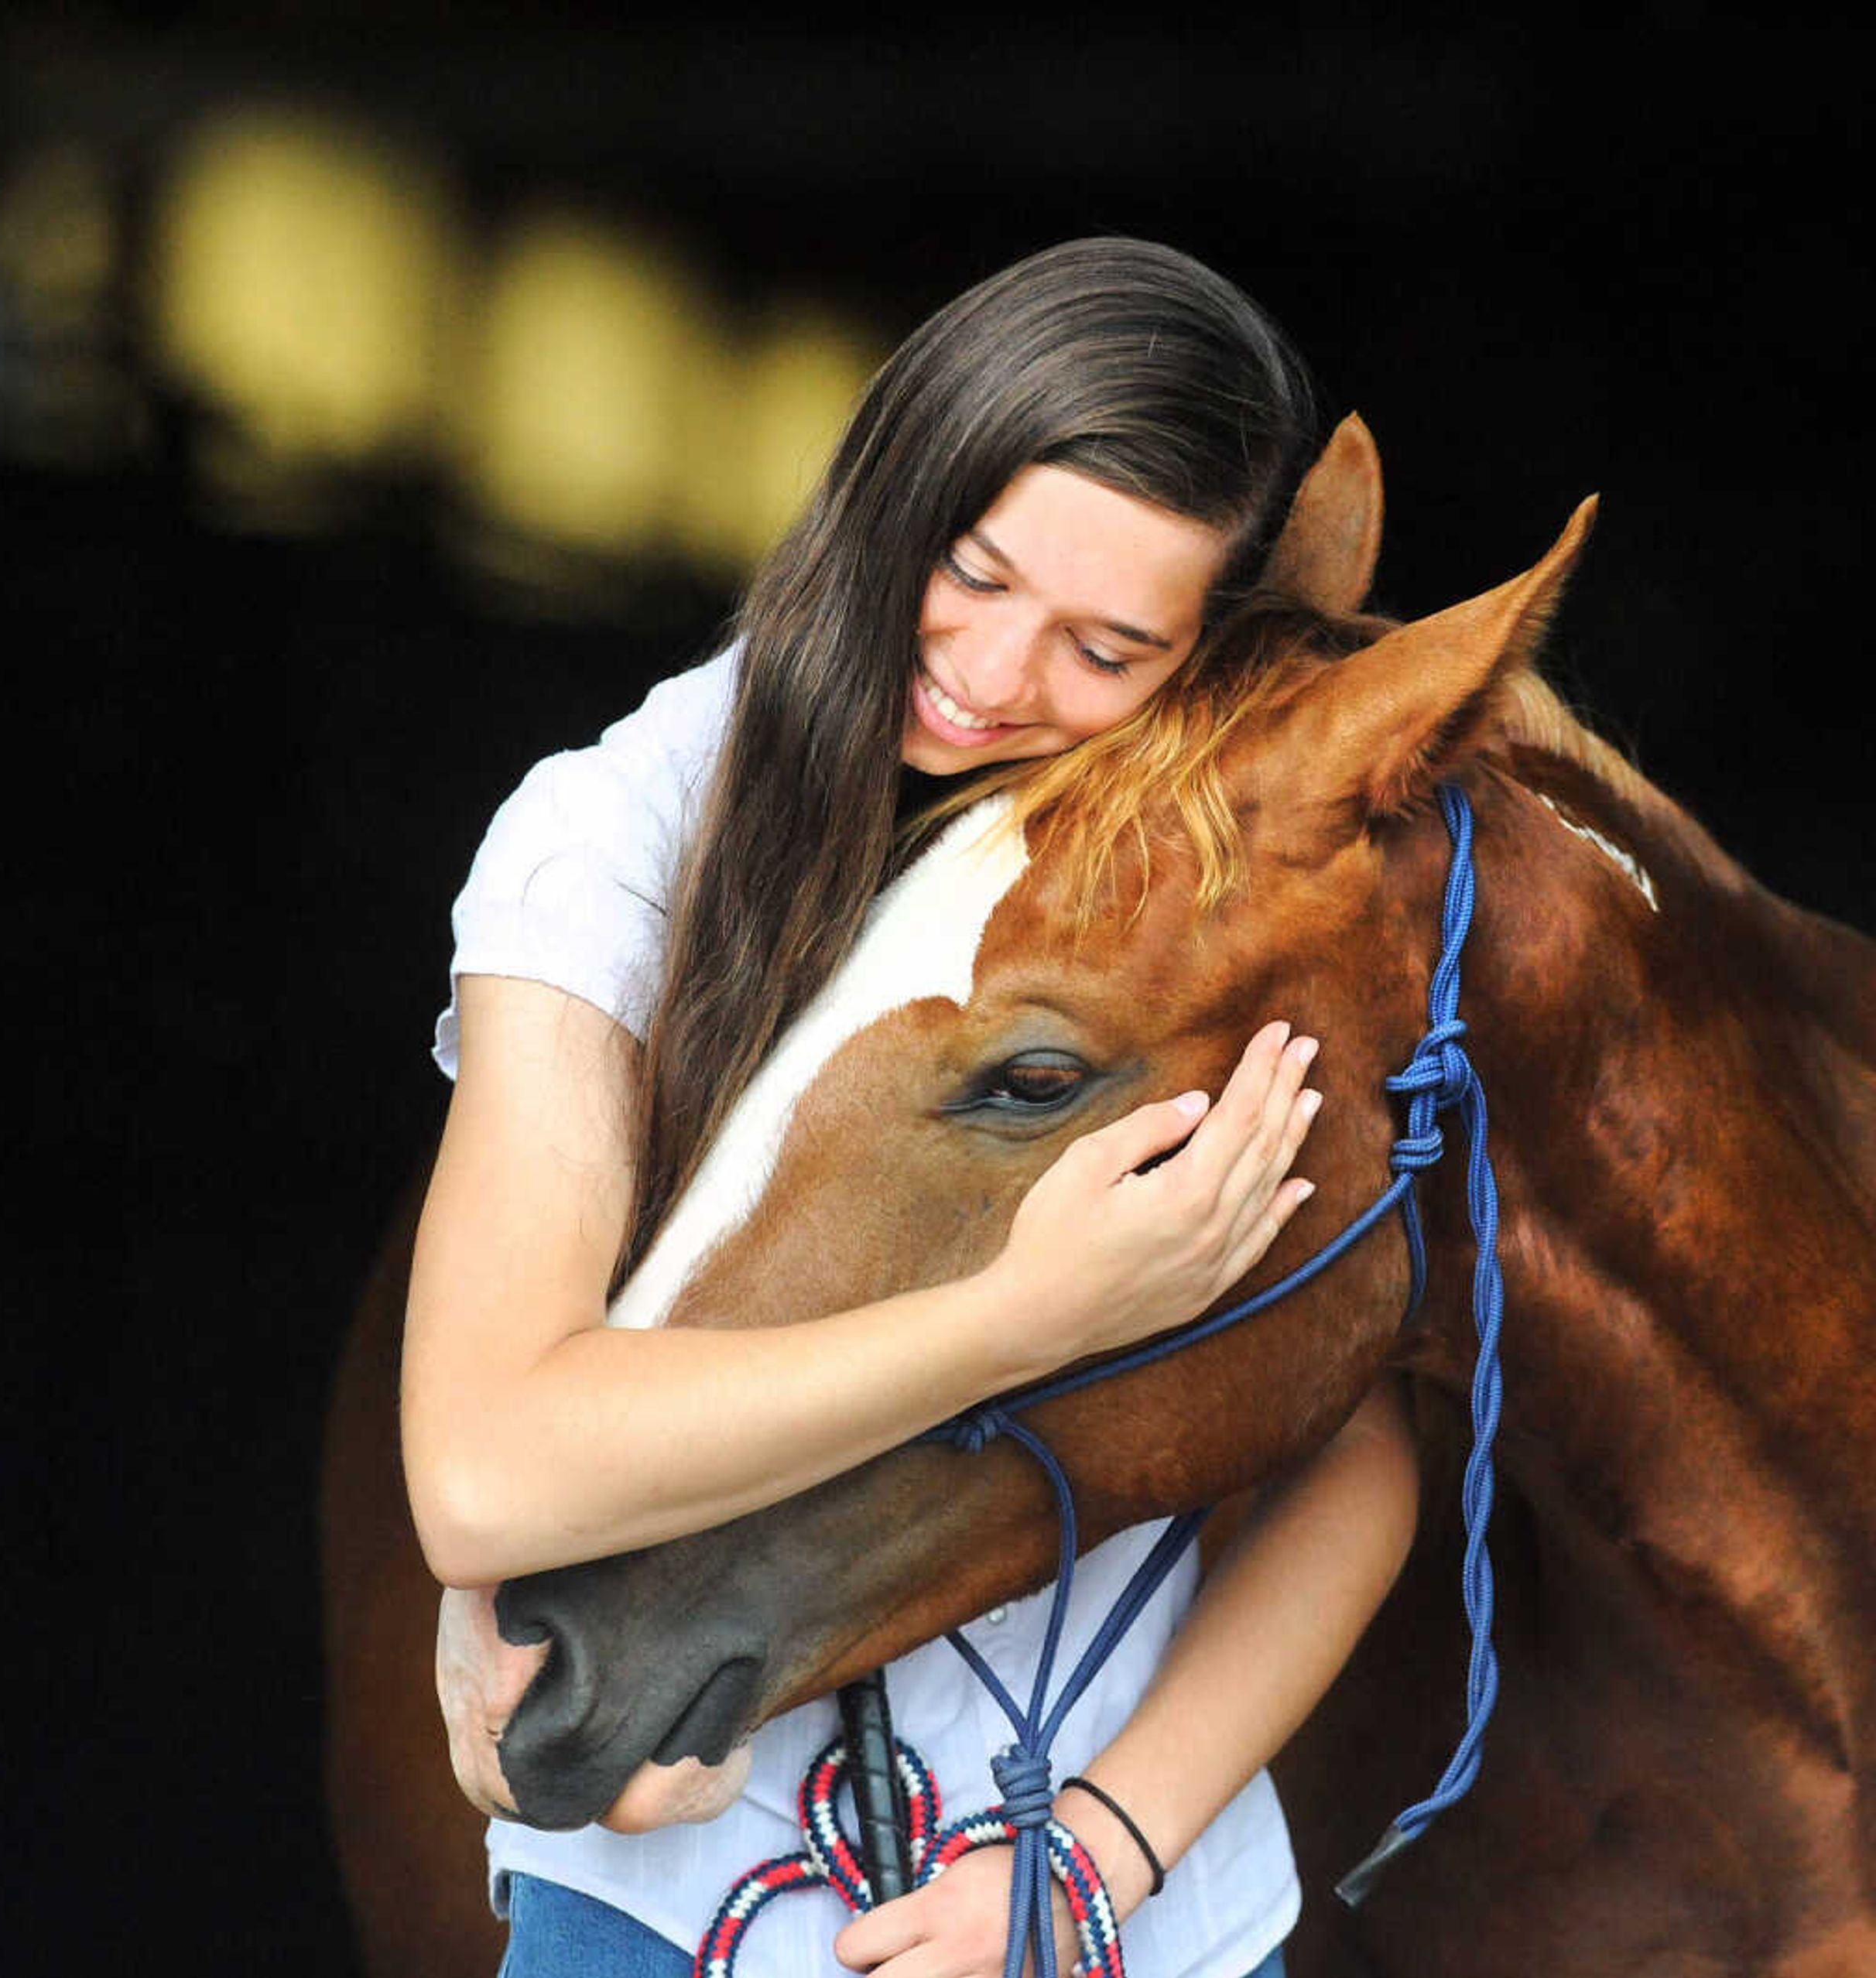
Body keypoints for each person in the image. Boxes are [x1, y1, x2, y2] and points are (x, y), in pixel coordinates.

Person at [403, 237, 1420, 1978]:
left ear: (1203, 662)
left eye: (1106, 647)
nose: (994, 674)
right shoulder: (615, 849)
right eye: (970, 568)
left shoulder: (1179, 916)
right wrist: (1023, 1318)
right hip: (687, 1906)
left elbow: (1358, 1450)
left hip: (1130, 1921)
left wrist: (1090, 1867)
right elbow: (486, 1470)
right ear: (895, 481)